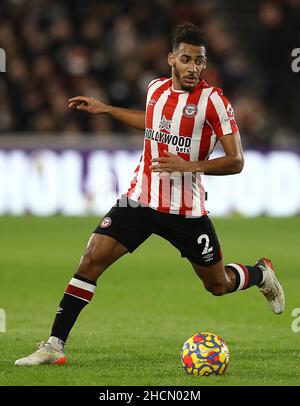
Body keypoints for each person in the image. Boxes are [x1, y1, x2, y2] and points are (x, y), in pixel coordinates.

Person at [15, 23, 285, 366]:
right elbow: (152, 121)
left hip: (186, 211)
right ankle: (54, 346)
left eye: (199, 61)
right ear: (172, 58)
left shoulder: (214, 102)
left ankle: (261, 274)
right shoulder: (155, 89)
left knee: (217, 284)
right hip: (139, 199)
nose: (193, 68)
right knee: (90, 260)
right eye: (186, 59)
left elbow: (237, 161)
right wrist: (108, 110)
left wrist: (189, 166)